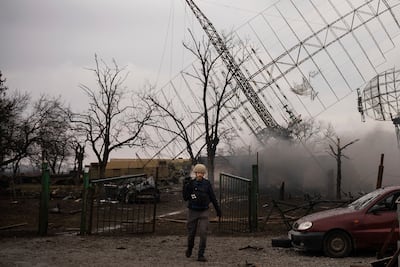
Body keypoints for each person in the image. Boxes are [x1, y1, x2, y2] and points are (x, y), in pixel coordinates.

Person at [182, 163, 221, 262]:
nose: (200, 174)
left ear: (204, 174)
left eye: (202, 173)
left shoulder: (207, 184)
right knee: (191, 233)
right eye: (198, 172)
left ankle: (201, 254)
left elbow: (212, 197)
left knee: (203, 233)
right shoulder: (191, 183)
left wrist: (218, 210)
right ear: (195, 173)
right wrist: (185, 186)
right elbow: (185, 197)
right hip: (193, 211)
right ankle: (190, 248)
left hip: (204, 211)